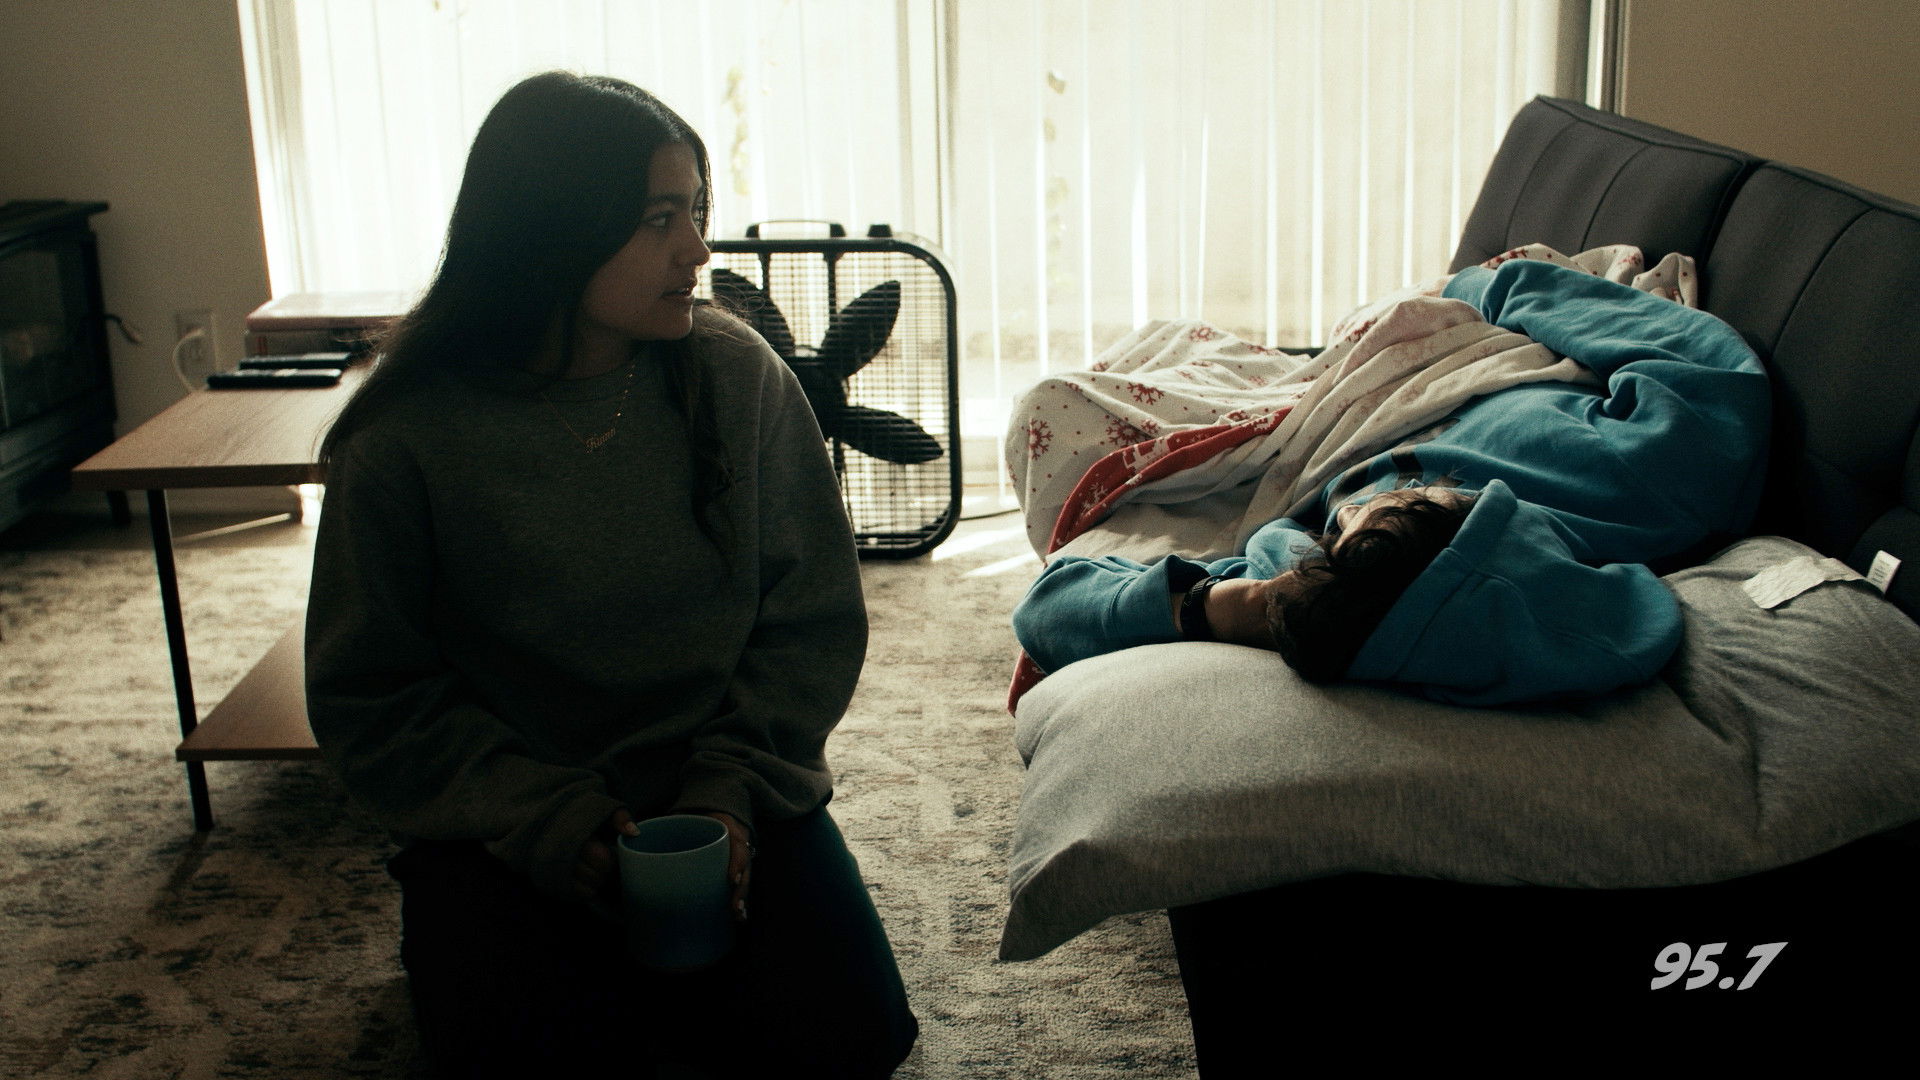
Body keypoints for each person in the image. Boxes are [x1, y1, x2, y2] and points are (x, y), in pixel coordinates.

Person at [304, 71, 917, 1078]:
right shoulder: (405, 435)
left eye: (697, 212)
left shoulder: (737, 377)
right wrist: (543, 818)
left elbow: (810, 620)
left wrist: (730, 790)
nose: (698, 251)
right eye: (657, 220)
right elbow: (372, 693)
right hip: (508, 819)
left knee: (852, 1040)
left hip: (721, 792)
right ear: (551, 232)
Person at [1013, 258, 1771, 705]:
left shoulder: (1325, 589)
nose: (1343, 513)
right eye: (1390, 508)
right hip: (1449, 356)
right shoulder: (1647, 478)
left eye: (1337, 532)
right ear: (1478, 516)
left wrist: (1224, 607)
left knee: (1061, 405)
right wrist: (1481, 288)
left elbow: (1051, 607)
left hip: (1315, 431)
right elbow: (1693, 357)